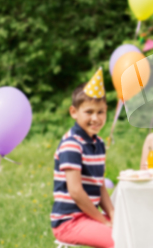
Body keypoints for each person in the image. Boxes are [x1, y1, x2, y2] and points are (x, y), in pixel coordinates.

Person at [51, 68, 114, 248]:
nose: (95, 118)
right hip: (69, 221)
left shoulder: (98, 144)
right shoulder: (72, 144)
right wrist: (103, 220)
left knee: (132, 227)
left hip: (89, 216)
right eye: (89, 112)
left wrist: (113, 213)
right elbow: (76, 192)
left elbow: (99, 184)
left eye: (100, 112)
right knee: (119, 240)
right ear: (74, 112)